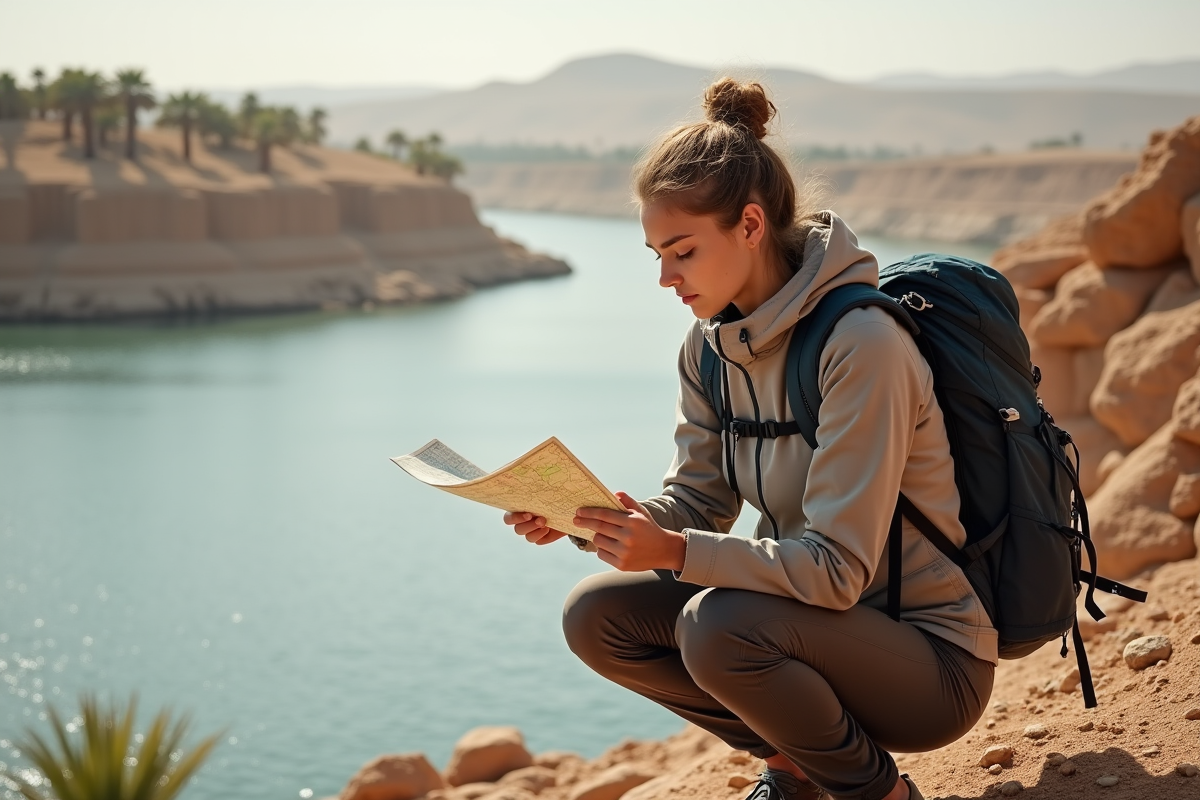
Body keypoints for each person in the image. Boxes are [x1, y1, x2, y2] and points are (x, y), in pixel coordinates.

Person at [503, 78, 995, 800]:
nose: (665, 277)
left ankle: (879, 795)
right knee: (596, 614)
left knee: (718, 624)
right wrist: (592, 521)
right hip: (803, 631)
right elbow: (699, 503)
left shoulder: (861, 344)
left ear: (752, 226)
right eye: (654, 253)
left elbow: (835, 572)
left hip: (926, 661)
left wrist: (673, 553)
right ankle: (796, 768)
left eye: (682, 251)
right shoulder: (708, 349)